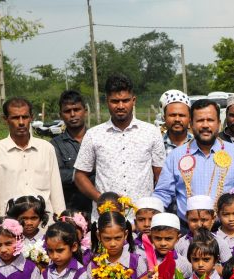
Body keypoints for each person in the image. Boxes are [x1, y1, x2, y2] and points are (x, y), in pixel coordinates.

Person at [74, 74, 165, 219]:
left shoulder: (151, 132)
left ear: (133, 100)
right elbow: (79, 176)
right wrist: (101, 199)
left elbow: (160, 176)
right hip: (105, 219)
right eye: (115, 101)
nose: (121, 106)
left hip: (142, 220)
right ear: (107, 102)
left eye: (125, 100)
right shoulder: (93, 135)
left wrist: (152, 208)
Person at [153, 99, 234, 221]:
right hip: (187, 231)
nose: (205, 125)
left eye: (210, 120)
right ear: (191, 123)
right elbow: (163, 194)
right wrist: (150, 213)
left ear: (219, 123)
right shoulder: (176, 156)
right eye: (200, 120)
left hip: (227, 230)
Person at [0, 97, 65, 221]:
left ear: (31, 118)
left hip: (43, 225)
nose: (21, 122)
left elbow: (56, 190)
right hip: (10, 226)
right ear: (6, 120)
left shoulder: (47, 149)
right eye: (15, 118)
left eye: (25, 117)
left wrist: (61, 220)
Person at [51, 90, 92, 213]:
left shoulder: (98, 138)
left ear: (85, 111)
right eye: (67, 111)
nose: (73, 114)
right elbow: (57, 175)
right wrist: (87, 172)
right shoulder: (55, 145)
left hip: (99, 206)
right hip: (72, 211)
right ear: (61, 114)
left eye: (77, 109)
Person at [174, 195, 232, 263]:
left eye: (204, 220)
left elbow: (228, 268)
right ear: (187, 218)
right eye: (194, 220)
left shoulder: (220, 243)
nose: (199, 225)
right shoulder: (180, 244)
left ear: (213, 218)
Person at [160, 90, 193, 156]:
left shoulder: (197, 144)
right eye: (172, 115)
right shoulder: (157, 144)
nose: (177, 119)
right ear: (164, 117)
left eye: (182, 115)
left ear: (190, 118)